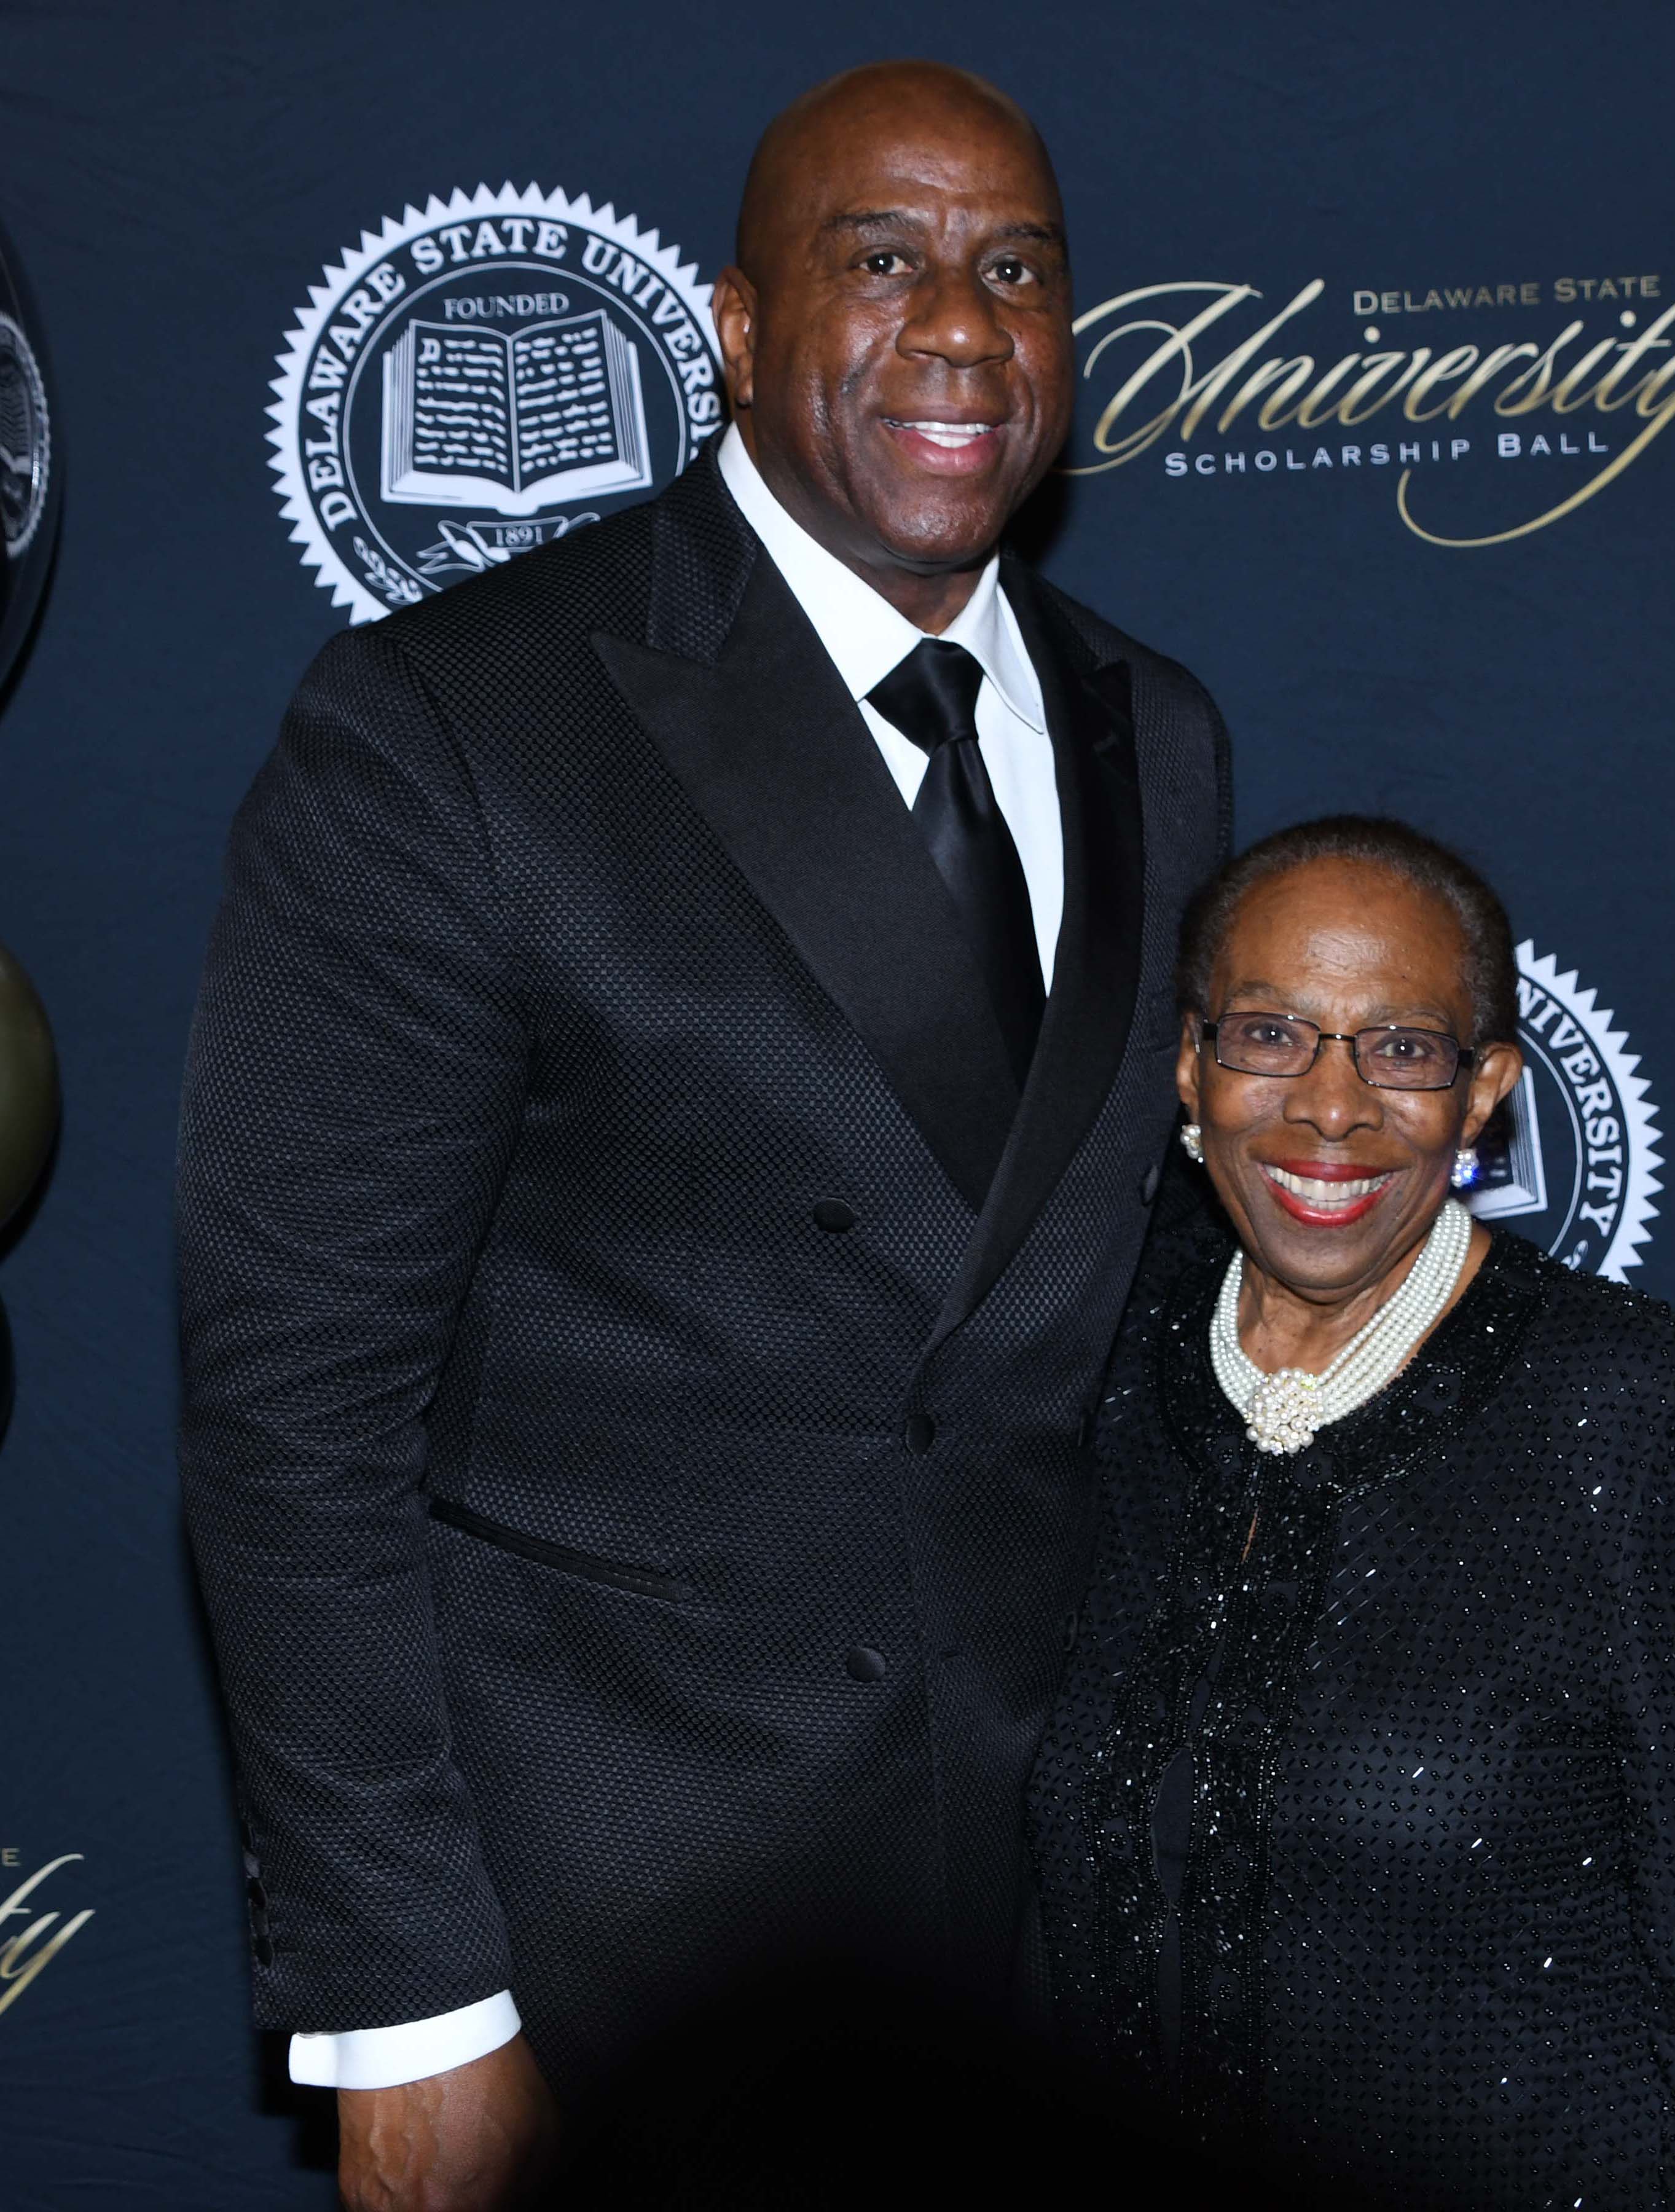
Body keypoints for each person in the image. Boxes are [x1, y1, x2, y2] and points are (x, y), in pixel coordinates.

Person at [176, 61, 1228, 2208]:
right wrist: (410, 2000)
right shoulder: (456, 723)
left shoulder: (1159, 730)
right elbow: (294, 1408)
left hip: (1034, 1931)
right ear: (737, 335)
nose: (959, 324)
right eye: (882, 262)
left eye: (1013, 270)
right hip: (602, 1940)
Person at [1026, 817, 1675, 2209]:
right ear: (1188, 1063)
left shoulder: (1634, 1410)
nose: (1330, 1107)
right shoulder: (1094, 1366)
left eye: (1400, 1049)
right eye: (1270, 1035)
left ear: (1483, 1093)